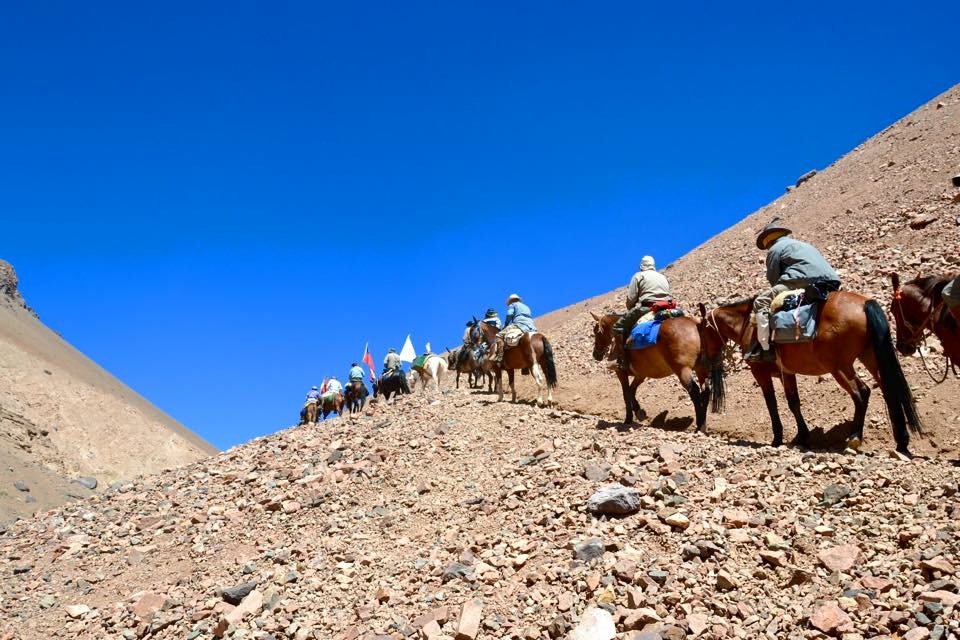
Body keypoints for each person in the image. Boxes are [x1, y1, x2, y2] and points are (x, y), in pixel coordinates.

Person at [745, 220, 840, 363]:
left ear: (768, 242)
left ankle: (765, 348)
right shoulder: (801, 244)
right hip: (832, 279)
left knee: (761, 301)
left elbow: (774, 277)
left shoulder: (775, 249)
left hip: (800, 280)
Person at [611, 256, 673, 369]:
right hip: (668, 307)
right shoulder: (663, 276)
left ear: (641, 265)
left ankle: (622, 360)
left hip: (648, 307)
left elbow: (631, 298)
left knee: (617, 327)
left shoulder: (639, 276)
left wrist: (630, 308)